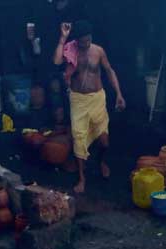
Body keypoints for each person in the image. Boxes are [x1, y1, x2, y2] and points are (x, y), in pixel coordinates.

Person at [53, 19, 125, 194]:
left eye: (88, 39)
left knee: (104, 141)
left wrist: (119, 94)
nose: (85, 43)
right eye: (82, 41)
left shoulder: (98, 51)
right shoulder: (71, 50)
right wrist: (63, 39)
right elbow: (56, 61)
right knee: (79, 138)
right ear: (76, 40)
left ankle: (101, 161)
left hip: (97, 99)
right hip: (78, 100)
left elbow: (109, 71)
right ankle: (81, 178)